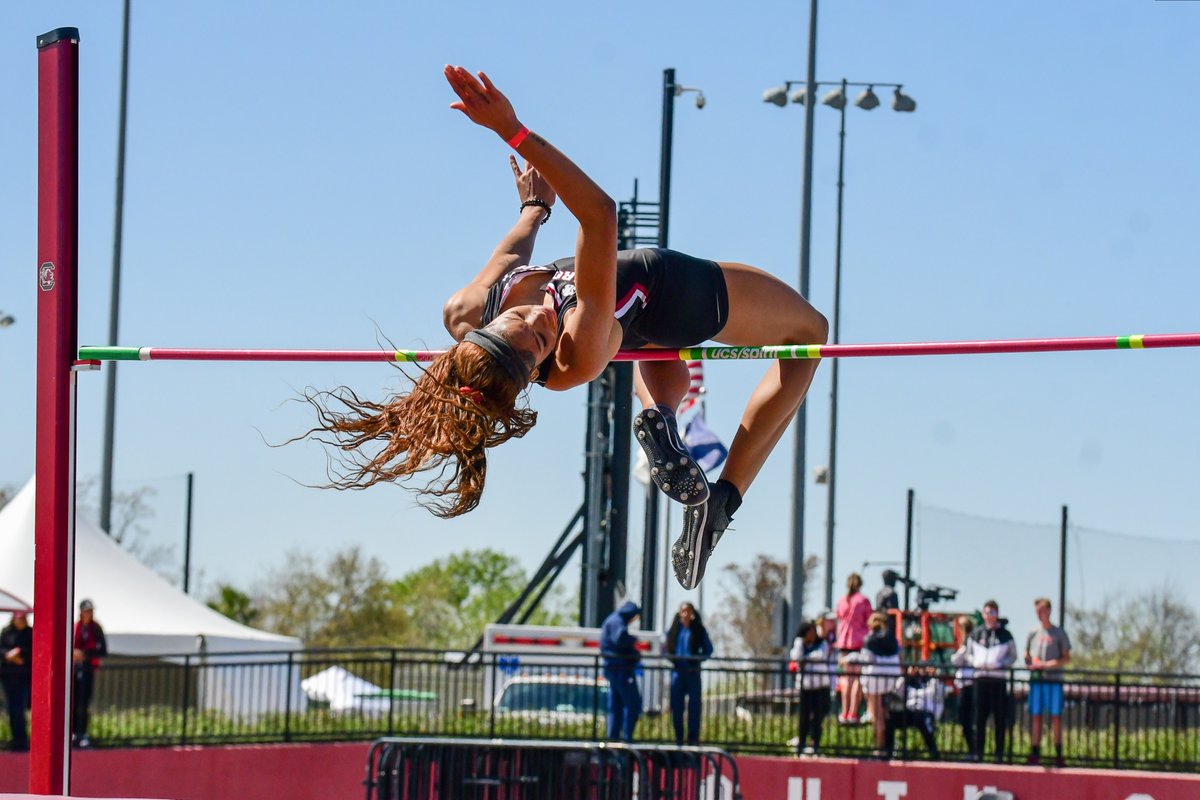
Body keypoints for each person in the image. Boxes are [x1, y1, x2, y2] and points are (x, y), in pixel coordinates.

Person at [305, 66, 828, 591]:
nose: (537, 319)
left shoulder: (465, 309)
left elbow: (514, 250)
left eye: (518, 319)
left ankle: (661, 417)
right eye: (538, 343)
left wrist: (534, 207)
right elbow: (600, 214)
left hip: (630, 326)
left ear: (482, 327)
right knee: (808, 333)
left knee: (648, 353)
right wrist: (512, 131)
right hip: (664, 289)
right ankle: (723, 500)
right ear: (537, 368)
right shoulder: (572, 352)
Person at [963, 600, 1016, 763]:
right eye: (987, 613)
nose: (990, 616)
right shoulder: (976, 633)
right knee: (979, 717)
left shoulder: (1005, 635)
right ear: (983, 614)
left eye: (993, 613)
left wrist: (1001, 665)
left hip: (998, 680)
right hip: (980, 679)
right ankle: (979, 752)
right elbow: (968, 653)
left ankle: (999, 754)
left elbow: (1013, 656)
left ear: (997, 614)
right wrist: (975, 663)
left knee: (999, 718)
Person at [841, 611, 901, 755]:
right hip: (892, 678)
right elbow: (899, 656)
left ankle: (879, 748)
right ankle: (889, 746)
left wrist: (849, 658)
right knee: (886, 714)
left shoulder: (870, 639)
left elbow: (866, 659)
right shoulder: (892, 639)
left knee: (877, 715)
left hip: (875, 680)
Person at [1025, 597, 1071, 767]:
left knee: (1055, 716)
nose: (1040, 614)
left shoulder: (1059, 633)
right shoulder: (1033, 632)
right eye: (1037, 611)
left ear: (1049, 611)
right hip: (1037, 681)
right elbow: (1027, 655)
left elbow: (1066, 658)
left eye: (1042, 610)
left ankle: (1059, 753)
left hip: (1054, 680)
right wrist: (1032, 663)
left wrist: (1048, 665)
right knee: (1036, 715)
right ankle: (1035, 752)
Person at [665, 602, 714, 745]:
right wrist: (672, 659)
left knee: (694, 708)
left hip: (692, 673)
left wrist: (697, 660)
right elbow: (666, 648)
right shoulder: (675, 629)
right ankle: (678, 739)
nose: (685, 614)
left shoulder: (698, 629)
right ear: (680, 613)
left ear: (692, 613)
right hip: (678, 674)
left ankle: (693, 739)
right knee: (677, 707)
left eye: (688, 611)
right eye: (683, 611)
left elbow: (708, 649)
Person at [599, 601, 643, 742]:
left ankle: (614, 737)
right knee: (632, 703)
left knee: (616, 706)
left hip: (615, 669)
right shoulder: (618, 622)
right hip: (621, 670)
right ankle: (626, 737)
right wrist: (633, 642)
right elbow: (620, 638)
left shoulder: (612, 619)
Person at [789, 620, 833, 754]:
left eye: (814, 631)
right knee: (804, 716)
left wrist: (806, 658)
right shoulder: (800, 644)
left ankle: (815, 744)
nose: (812, 634)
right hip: (805, 686)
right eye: (809, 632)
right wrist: (799, 643)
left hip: (820, 686)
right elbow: (796, 657)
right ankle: (801, 744)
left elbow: (820, 656)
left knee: (818, 716)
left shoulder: (822, 644)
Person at [883, 664, 946, 759]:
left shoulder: (932, 682)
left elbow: (939, 694)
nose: (923, 670)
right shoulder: (911, 683)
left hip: (927, 713)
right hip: (911, 712)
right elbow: (897, 690)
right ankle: (889, 753)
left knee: (921, 717)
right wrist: (906, 675)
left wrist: (934, 676)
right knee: (890, 719)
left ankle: (934, 753)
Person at [835, 573, 873, 723]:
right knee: (856, 679)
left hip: (844, 643)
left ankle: (844, 713)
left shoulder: (842, 600)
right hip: (857, 643)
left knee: (846, 680)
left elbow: (838, 616)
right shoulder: (863, 600)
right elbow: (870, 620)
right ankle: (853, 713)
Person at [72, 598, 108, 748]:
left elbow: (102, 650)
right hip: (74, 670)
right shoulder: (75, 627)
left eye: (90, 611)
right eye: (86, 611)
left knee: (84, 703)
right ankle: (73, 733)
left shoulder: (96, 628)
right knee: (73, 702)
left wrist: (85, 654)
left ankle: (83, 733)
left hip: (87, 670)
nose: (89, 613)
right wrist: (75, 654)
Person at [0, 611, 33, 752]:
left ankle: (22, 740)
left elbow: (34, 651)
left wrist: (21, 658)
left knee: (20, 709)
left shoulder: (30, 633)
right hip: (8, 677)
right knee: (11, 709)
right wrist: (8, 656)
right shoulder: (6, 632)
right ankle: (15, 739)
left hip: (24, 677)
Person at [950, 615, 978, 759]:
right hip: (964, 684)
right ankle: (972, 749)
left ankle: (974, 749)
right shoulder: (967, 643)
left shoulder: (969, 642)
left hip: (969, 685)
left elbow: (956, 659)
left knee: (966, 718)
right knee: (964, 718)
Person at [876, 570, 901, 635]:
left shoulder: (879, 593)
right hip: (889, 627)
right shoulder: (891, 593)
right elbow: (893, 610)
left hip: (879, 624)